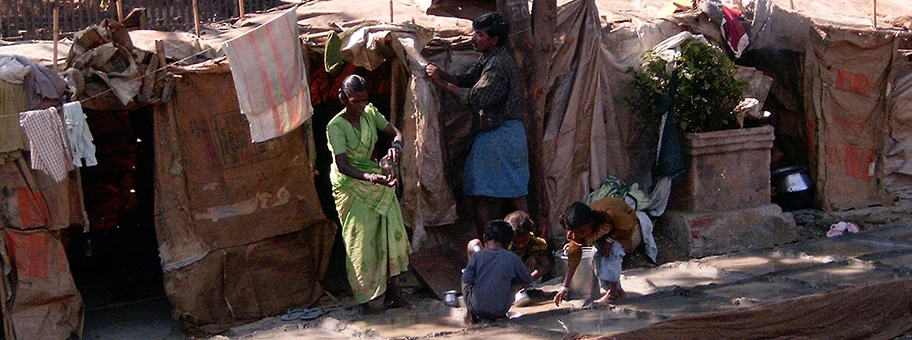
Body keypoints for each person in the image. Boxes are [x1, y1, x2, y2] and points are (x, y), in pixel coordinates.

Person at [425, 12, 529, 240]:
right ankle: (498, 245)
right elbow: (468, 79)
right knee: (490, 190)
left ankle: (512, 244)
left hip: (502, 134)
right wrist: (442, 73)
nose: (474, 38)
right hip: (499, 134)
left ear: (494, 40)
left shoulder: (498, 65)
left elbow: (476, 97)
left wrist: (440, 82)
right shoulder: (489, 58)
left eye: (479, 34)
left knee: (499, 192)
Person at [326, 74, 410, 313]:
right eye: (356, 101)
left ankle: (391, 292)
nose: (361, 105)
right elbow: (343, 165)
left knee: (386, 233)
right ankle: (365, 299)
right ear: (344, 99)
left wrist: (396, 147)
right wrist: (373, 178)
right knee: (361, 240)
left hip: (375, 180)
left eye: (365, 100)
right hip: (350, 184)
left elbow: (396, 133)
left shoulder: (371, 114)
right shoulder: (335, 126)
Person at [553, 198, 639, 306]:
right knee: (598, 259)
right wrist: (565, 288)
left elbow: (628, 224)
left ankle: (612, 294)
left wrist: (610, 239)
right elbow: (573, 260)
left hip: (623, 229)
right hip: (603, 235)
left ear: (591, 222)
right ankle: (618, 292)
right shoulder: (577, 234)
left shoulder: (611, 214)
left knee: (612, 253)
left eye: (582, 231)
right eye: (576, 233)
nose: (580, 235)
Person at [463, 220, 533, 324]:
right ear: (509, 242)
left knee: (465, 275)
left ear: (485, 238)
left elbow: (467, 279)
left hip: (477, 308)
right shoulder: (512, 257)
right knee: (515, 277)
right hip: (500, 310)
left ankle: (470, 314)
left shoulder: (477, 256)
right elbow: (527, 279)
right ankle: (500, 313)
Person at [505, 210, 550, 283]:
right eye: (516, 242)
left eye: (524, 240)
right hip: (509, 279)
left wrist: (528, 279)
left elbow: (545, 266)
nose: (520, 245)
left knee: (532, 261)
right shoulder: (504, 246)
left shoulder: (536, 245)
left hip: (531, 279)